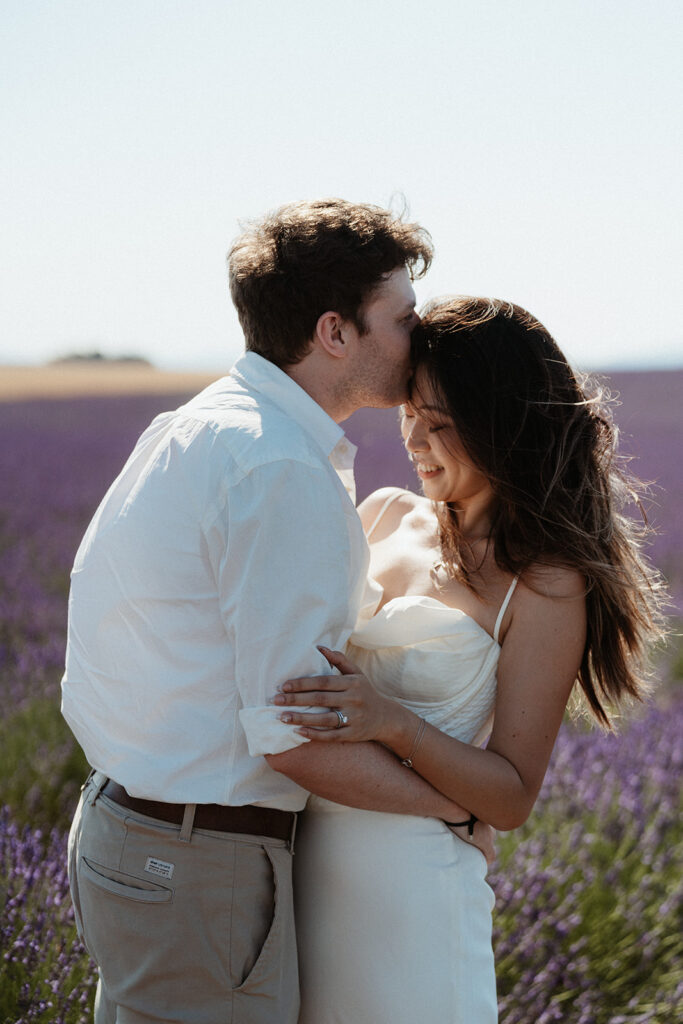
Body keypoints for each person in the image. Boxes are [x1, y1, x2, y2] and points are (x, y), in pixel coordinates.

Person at [62, 200, 492, 1024]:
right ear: (335, 332)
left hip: (136, 830)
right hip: (194, 859)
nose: (418, 335)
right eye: (400, 317)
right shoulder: (278, 468)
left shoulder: (207, 426)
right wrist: (455, 807)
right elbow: (293, 734)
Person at [272, 296, 666, 1023]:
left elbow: (511, 795)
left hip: (414, 892)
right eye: (410, 414)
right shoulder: (381, 514)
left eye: (442, 426)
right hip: (299, 871)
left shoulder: (544, 584)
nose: (416, 441)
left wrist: (392, 723)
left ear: (503, 427)